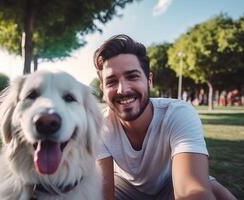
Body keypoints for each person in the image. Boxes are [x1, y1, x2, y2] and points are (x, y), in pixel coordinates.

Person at [93, 34, 236, 200]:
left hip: (170, 183)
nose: (122, 90)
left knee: (216, 192)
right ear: (103, 89)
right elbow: (104, 194)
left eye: (132, 76)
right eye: (111, 81)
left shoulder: (178, 113)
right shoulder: (99, 125)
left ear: (149, 80)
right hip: (125, 189)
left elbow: (190, 189)